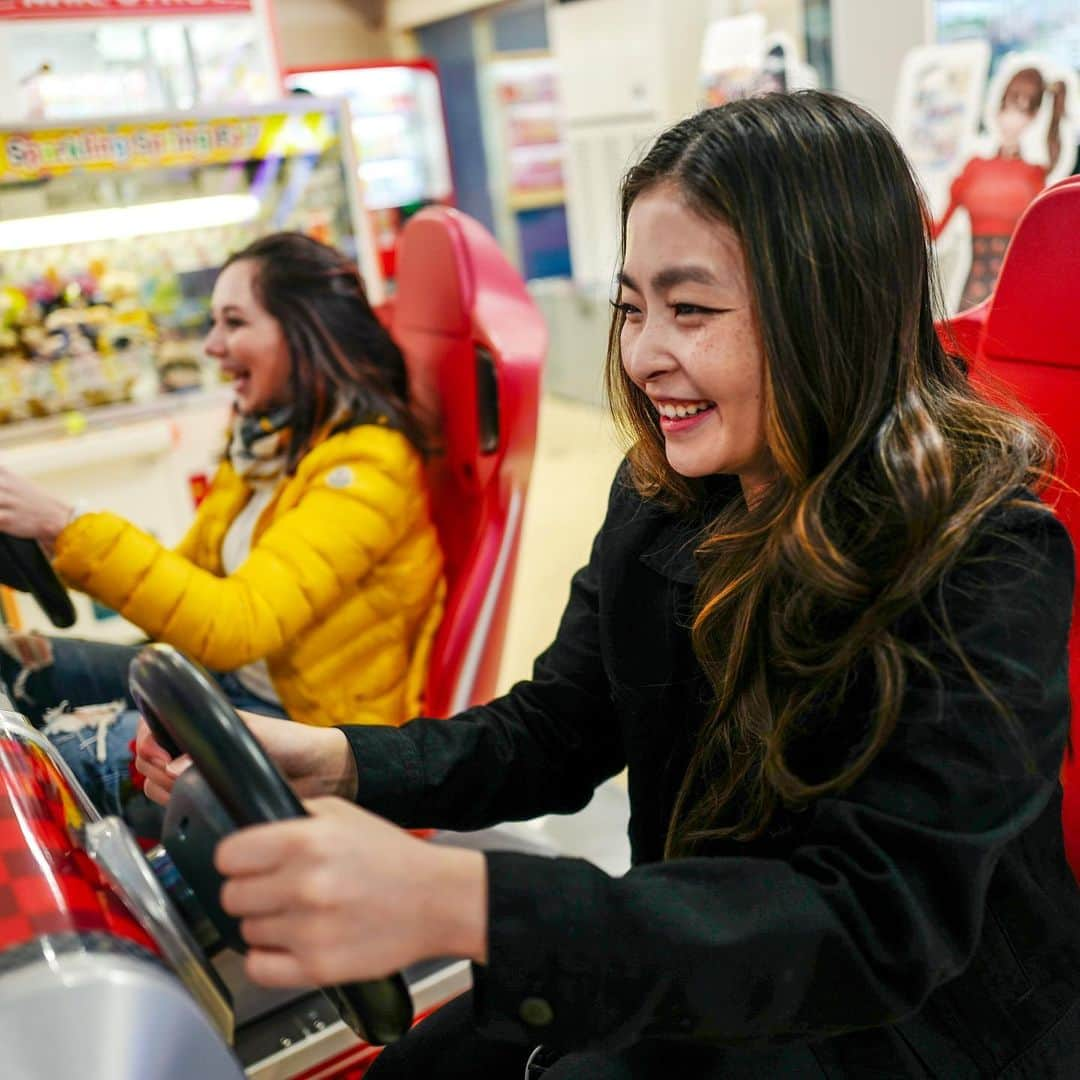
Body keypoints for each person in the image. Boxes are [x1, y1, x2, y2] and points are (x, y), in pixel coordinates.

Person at [138, 93, 1080, 1077]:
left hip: (899, 1029)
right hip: (704, 964)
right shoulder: (665, 496)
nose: (640, 355)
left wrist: (461, 898)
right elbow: (553, 729)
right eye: (632, 307)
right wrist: (334, 760)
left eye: (692, 310)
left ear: (825, 309)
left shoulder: (989, 556)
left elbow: (872, 924)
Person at [0, 232, 444, 820]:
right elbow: (187, 581)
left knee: (47, 765)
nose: (211, 346)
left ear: (306, 330)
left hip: (305, 731)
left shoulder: (368, 465)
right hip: (227, 685)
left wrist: (66, 521)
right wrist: (57, 536)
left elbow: (236, 624)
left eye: (234, 323)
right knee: (16, 661)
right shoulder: (272, 441)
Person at [933, 66, 1069, 309]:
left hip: (1017, 297)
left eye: (1022, 111)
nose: (1011, 119)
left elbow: (1046, 248)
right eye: (1007, 107)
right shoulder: (974, 168)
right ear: (998, 109)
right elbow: (935, 230)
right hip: (973, 299)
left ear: (1034, 117)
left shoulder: (1033, 175)